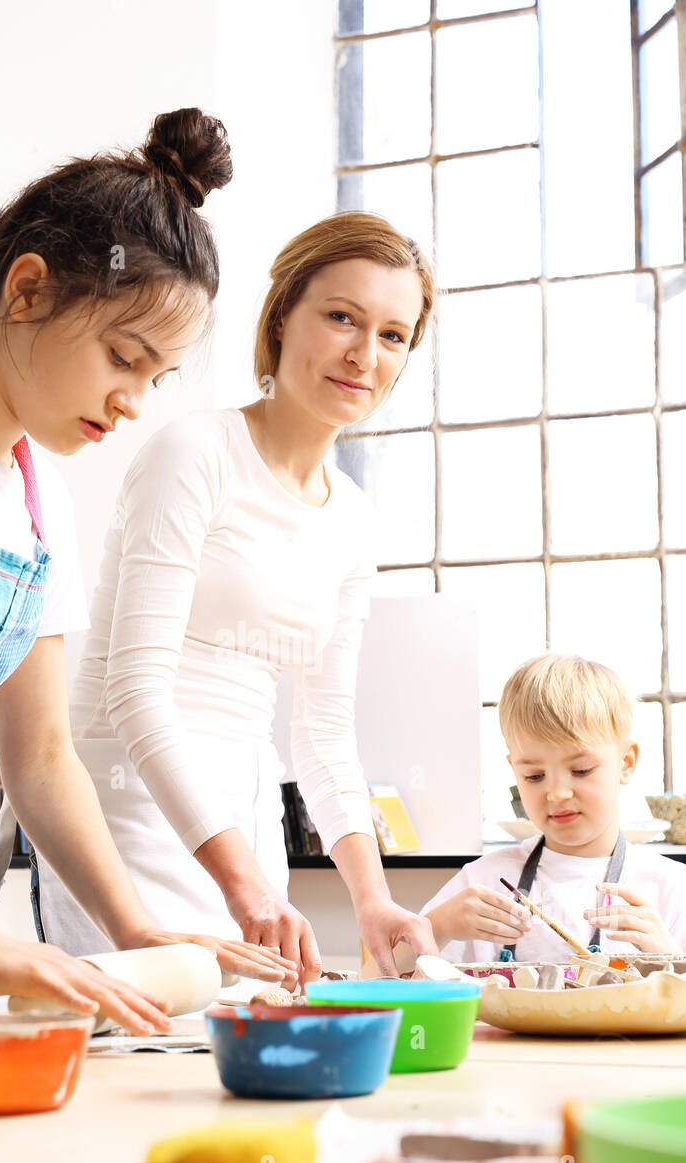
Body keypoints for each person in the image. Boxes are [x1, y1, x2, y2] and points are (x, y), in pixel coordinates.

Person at [0, 108, 294, 1051]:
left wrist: (135, 931)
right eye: (124, 357)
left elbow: (39, 758)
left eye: (158, 377)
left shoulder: (41, 503)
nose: (133, 400)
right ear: (29, 290)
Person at [33, 211, 441, 980]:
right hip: (127, 812)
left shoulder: (353, 518)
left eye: (393, 336)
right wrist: (243, 886)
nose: (364, 354)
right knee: (146, 1054)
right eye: (342, 316)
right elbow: (135, 691)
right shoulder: (195, 454)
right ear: (283, 314)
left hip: (245, 821)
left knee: (240, 1059)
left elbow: (322, 733)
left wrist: (371, 900)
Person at [422, 654, 686, 962]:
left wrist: (674, 962)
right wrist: (437, 927)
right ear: (514, 770)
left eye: (581, 770)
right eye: (534, 776)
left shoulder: (676, 890)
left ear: (625, 763)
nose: (556, 793)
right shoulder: (482, 883)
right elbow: (373, 983)